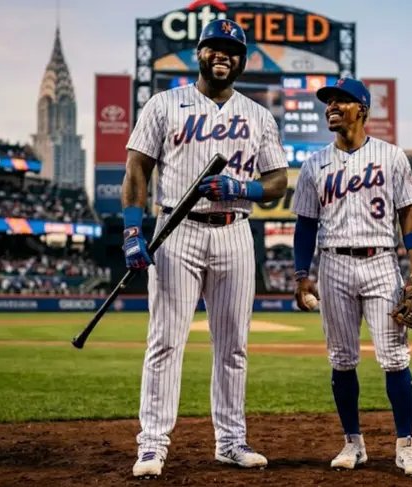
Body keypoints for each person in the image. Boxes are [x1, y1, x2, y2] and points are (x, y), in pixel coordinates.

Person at [121, 18, 289, 478]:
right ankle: (152, 446)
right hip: (177, 226)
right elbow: (137, 170)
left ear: (242, 60)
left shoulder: (258, 115)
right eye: (214, 47)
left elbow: (277, 180)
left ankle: (230, 441)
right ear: (198, 53)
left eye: (232, 50)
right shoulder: (165, 104)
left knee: (233, 345)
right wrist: (132, 230)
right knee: (165, 341)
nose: (223, 55)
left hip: (235, 229)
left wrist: (244, 187)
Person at [290, 77, 412, 477]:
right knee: (342, 360)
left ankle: (406, 446)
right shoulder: (314, 164)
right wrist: (303, 276)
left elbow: (408, 214)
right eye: (328, 102)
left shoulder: (392, 156)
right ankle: (353, 442)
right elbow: (305, 226)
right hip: (332, 265)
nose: (331, 107)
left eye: (341, 101)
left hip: (381, 262)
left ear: (362, 109)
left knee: (394, 359)